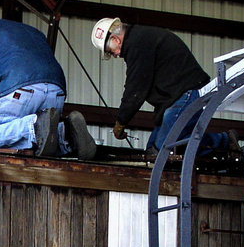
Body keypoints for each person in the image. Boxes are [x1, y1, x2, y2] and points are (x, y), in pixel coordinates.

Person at [0, 15, 96, 159]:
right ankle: (66, 135)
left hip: (20, 85)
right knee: (43, 142)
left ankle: (35, 126)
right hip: (57, 89)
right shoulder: (34, 33)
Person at [91, 17, 231, 156]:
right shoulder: (139, 38)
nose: (114, 55)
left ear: (116, 40)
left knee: (162, 152)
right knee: (152, 151)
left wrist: (121, 122)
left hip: (187, 93)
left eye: (110, 51)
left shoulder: (137, 44)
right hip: (177, 96)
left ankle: (224, 141)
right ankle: (220, 143)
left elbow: (135, 89)